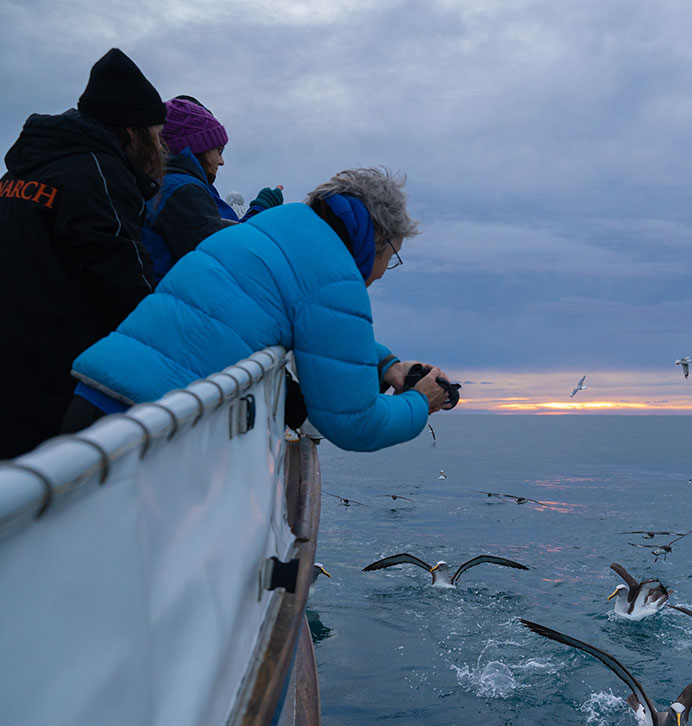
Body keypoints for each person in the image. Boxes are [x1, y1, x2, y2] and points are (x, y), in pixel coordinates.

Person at [68, 167, 453, 451]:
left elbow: (317, 329)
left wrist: (386, 364)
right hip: (147, 429)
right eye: (392, 256)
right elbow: (355, 423)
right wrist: (420, 401)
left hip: (94, 397)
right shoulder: (335, 276)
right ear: (377, 239)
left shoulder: (278, 226)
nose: (383, 273)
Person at [0, 48, 166, 459]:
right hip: (52, 383)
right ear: (131, 132)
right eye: (156, 135)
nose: (161, 148)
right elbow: (130, 287)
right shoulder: (99, 175)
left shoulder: (21, 171)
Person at [143, 96, 284, 282]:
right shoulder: (181, 190)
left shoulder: (173, 185)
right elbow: (227, 255)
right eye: (218, 151)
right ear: (197, 148)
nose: (221, 162)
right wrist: (263, 210)